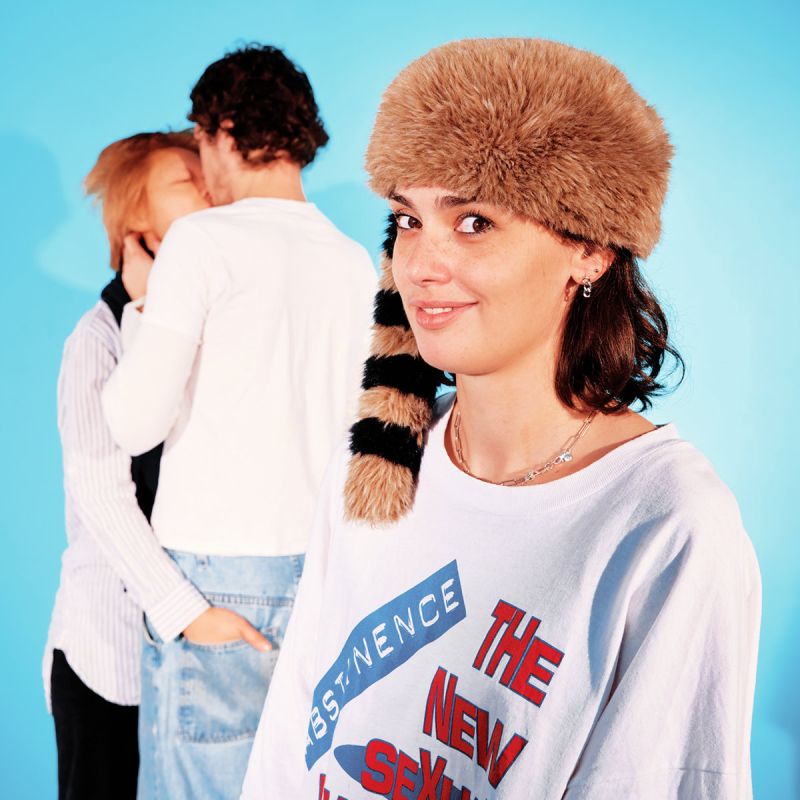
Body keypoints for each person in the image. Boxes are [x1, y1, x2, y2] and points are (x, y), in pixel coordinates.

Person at [241, 38, 761, 799]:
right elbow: (292, 730)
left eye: (474, 221)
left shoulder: (664, 522)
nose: (421, 265)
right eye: (408, 220)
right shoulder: (380, 461)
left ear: (590, 250)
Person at [101, 45, 376, 800]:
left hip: (213, 574)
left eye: (199, 142)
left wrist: (141, 304)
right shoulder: (353, 261)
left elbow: (132, 424)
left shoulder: (202, 242)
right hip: (321, 571)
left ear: (221, 131)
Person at [44, 131, 212, 800]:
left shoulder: (208, 316)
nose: (207, 187)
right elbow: (101, 494)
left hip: (192, 650)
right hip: (108, 657)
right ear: (134, 216)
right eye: (185, 181)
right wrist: (185, 612)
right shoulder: (97, 338)